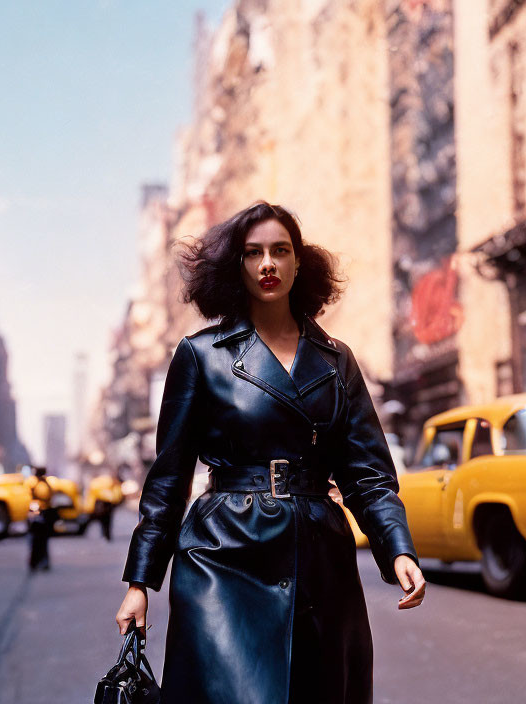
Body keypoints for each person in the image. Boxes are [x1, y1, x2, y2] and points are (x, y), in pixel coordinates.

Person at [115, 201, 425, 704]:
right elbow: (169, 478)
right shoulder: (201, 355)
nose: (267, 264)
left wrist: (398, 547)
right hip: (223, 553)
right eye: (253, 252)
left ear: (299, 263)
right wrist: (140, 581)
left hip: (319, 555)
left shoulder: (336, 359)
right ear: (235, 265)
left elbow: (367, 472)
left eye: (281, 251)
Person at [27, 466, 55, 571]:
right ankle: (42, 561)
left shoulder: (38, 485)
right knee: (42, 541)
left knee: (37, 540)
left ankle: (36, 562)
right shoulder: (46, 484)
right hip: (44, 516)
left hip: (38, 516)